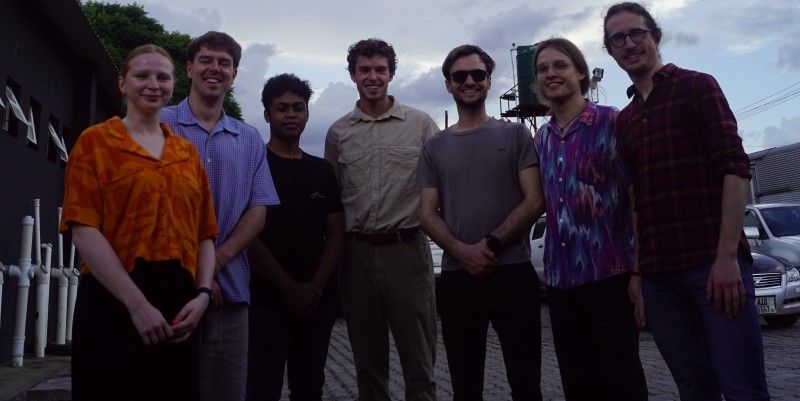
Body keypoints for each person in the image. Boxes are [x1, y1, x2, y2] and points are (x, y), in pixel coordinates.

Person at [603, 2, 770, 400]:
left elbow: (734, 167)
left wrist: (728, 257)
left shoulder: (698, 86)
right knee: (695, 390)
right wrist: (640, 274)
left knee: (743, 388)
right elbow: (636, 199)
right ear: (609, 51)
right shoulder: (624, 121)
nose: (629, 44)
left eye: (637, 33)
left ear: (655, 36)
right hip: (660, 281)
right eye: (617, 39)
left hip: (713, 269)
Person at [61, 44, 217, 401]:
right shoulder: (96, 143)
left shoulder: (186, 153)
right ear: (122, 83)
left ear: (173, 84)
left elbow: (205, 233)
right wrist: (137, 305)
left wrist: (204, 295)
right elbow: (83, 228)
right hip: (113, 298)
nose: (153, 84)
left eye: (163, 77)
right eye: (142, 75)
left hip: (179, 302)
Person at [418, 44, 544, 401]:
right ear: (448, 85)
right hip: (459, 280)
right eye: (460, 76)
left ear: (489, 81)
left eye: (477, 74)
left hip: (514, 272)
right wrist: (462, 251)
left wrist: (488, 246)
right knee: (465, 381)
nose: (469, 81)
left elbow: (535, 199)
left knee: (526, 381)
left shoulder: (516, 135)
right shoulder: (434, 147)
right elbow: (426, 213)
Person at [161, 31, 280, 401]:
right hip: (165, 286)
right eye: (207, 60)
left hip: (230, 289)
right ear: (190, 68)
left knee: (226, 392)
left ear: (235, 73)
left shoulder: (249, 138)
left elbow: (258, 211)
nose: (215, 69)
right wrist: (196, 271)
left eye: (224, 63)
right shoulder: (158, 125)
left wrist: (214, 265)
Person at [532, 37, 648, 401]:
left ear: (581, 73)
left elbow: (637, 199)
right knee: (578, 384)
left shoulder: (612, 122)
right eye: (543, 68)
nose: (551, 73)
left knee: (622, 381)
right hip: (562, 283)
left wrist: (638, 273)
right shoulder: (541, 138)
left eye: (560, 65)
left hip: (610, 277)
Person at [324, 38, 439, 401]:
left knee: (419, 363)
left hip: (407, 252)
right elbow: (334, 200)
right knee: (367, 365)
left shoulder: (421, 126)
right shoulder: (338, 133)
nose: (372, 77)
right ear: (352, 75)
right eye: (364, 70)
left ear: (391, 73)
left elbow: (437, 191)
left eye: (379, 69)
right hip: (356, 257)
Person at [245, 73, 345, 401]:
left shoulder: (322, 170)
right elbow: (248, 233)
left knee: (309, 386)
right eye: (282, 108)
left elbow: (334, 231)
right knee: (262, 386)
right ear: (267, 115)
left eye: (298, 108)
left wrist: (314, 288)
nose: (291, 114)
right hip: (265, 300)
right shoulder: (253, 164)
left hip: (319, 300)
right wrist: (288, 288)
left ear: (307, 114)